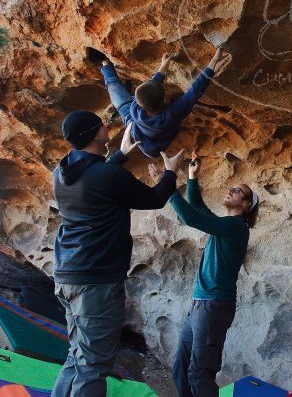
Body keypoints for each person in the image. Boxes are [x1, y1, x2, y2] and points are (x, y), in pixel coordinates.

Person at [51, 110, 185, 397]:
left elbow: (95, 177)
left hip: (67, 274)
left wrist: (120, 155)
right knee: (93, 365)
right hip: (95, 282)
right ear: (94, 133)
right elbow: (154, 198)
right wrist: (171, 171)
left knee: (78, 356)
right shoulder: (107, 174)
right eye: (102, 124)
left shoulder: (60, 173)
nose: (107, 125)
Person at [151, 152, 259, 397]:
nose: (231, 190)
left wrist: (166, 184)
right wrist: (191, 177)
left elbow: (190, 217)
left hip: (214, 307)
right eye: (231, 187)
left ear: (245, 205)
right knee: (181, 368)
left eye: (238, 191)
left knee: (200, 374)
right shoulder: (225, 226)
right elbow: (198, 209)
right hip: (200, 305)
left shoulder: (237, 228)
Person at [89, 46, 225, 158]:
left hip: (136, 130)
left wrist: (163, 67)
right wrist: (214, 60)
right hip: (152, 147)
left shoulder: (135, 109)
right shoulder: (172, 114)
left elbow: (152, 85)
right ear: (164, 98)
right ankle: (109, 68)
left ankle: (106, 65)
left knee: (117, 94)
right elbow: (195, 91)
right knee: (121, 100)